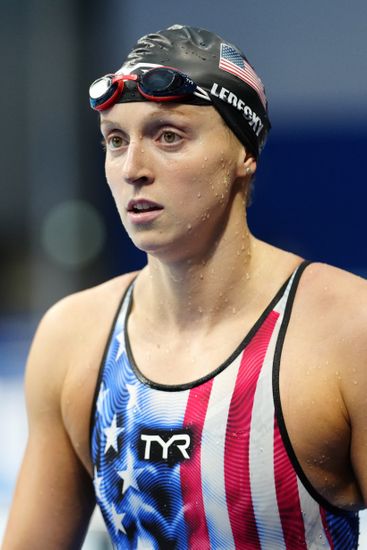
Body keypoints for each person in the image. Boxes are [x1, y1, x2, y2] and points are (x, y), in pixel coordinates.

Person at [3, 24, 366, 550]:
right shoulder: (73, 339)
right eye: (116, 140)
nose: (133, 169)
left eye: (168, 136)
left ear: (245, 154)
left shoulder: (345, 334)